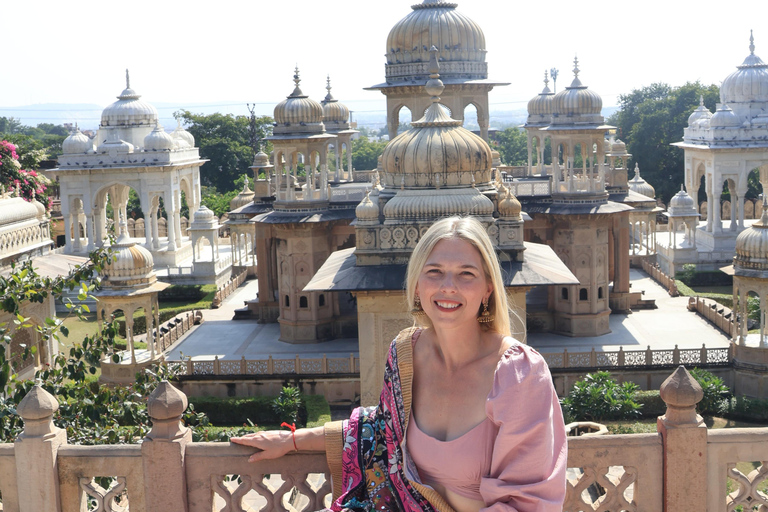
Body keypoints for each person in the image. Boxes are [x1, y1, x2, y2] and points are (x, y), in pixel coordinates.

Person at [232, 216, 567, 512]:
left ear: (488, 290)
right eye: (434, 272)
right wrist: (291, 440)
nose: (447, 287)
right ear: (418, 285)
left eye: (466, 274)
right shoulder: (407, 352)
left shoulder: (518, 373)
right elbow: (379, 433)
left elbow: (528, 501)